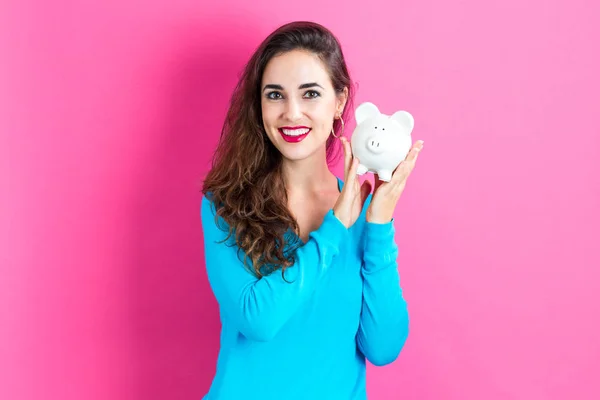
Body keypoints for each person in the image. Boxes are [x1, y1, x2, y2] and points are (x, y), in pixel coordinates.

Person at [199, 20, 424, 400]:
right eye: (275, 95)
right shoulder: (225, 204)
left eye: (310, 94)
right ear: (260, 105)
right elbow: (259, 319)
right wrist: (334, 227)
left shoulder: (366, 215)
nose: (291, 112)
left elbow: (383, 348)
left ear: (339, 102)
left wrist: (380, 225)